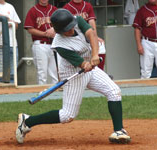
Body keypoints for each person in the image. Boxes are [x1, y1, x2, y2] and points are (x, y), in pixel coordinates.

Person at [16, 9, 131, 144]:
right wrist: (85, 64)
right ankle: (27, 121)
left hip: (90, 69)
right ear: (59, 31)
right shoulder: (60, 45)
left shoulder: (77, 20)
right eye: (67, 29)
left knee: (114, 91)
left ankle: (119, 131)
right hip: (73, 74)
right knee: (67, 115)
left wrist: (94, 55)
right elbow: (81, 64)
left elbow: (91, 34)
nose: (71, 30)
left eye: (71, 27)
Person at [63, 0, 106, 71]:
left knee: (100, 45)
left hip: (87, 34)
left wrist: (95, 37)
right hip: (75, 36)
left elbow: (92, 22)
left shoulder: (87, 5)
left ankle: (100, 71)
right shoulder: (66, 7)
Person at [24, 0, 58, 85]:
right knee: (42, 73)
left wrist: (54, 30)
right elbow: (30, 29)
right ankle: (42, 94)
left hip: (54, 44)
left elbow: (62, 24)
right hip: (40, 44)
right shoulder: (33, 10)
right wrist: (45, 34)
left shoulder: (54, 10)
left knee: (54, 73)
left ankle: (54, 95)